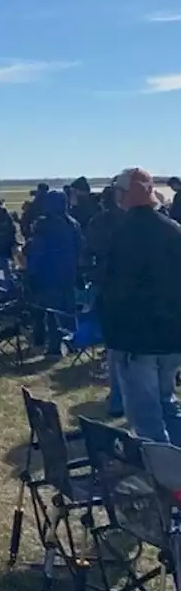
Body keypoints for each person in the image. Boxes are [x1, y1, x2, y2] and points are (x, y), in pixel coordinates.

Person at [98, 168, 181, 444]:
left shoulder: (120, 234)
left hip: (136, 340)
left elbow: (113, 289)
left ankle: (166, 479)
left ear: (125, 195)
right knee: (167, 404)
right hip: (170, 337)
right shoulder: (174, 231)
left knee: (147, 417)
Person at [25, 189, 82, 354]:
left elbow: (37, 251)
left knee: (51, 312)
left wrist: (32, 273)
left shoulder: (43, 225)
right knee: (69, 310)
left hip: (48, 274)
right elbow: (80, 248)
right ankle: (73, 344)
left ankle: (55, 348)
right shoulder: (72, 224)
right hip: (69, 273)